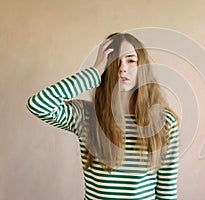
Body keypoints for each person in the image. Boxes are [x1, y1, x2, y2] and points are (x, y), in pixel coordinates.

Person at [27, 32, 179, 200]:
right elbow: (38, 104)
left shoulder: (165, 122)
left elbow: (167, 193)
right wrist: (94, 72)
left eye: (131, 60)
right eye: (114, 61)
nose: (122, 68)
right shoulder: (86, 116)